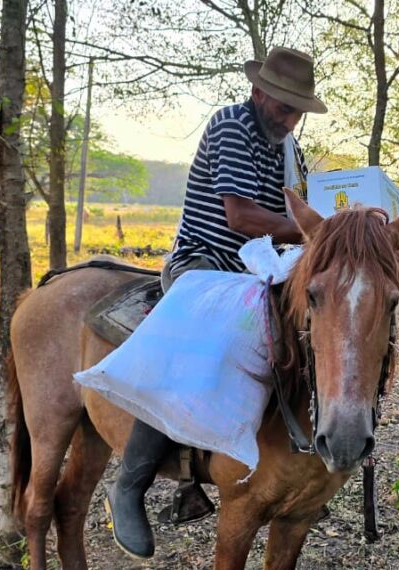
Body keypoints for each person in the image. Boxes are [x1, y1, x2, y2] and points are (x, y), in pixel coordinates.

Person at [107, 46, 327, 559]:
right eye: (281, 106)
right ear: (258, 92)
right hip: (205, 262)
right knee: (194, 347)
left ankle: (290, 450)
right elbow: (241, 217)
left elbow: (300, 211)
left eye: (296, 109)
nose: (288, 117)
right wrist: (314, 229)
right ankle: (130, 484)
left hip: (259, 268)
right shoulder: (231, 125)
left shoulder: (289, 150)